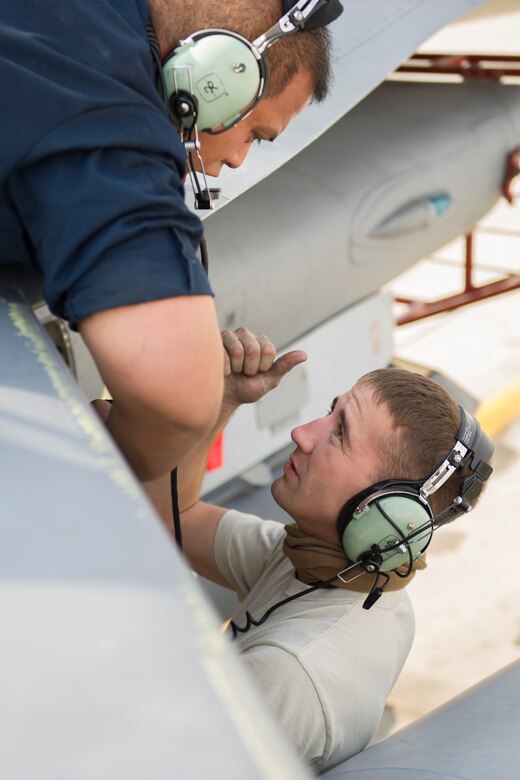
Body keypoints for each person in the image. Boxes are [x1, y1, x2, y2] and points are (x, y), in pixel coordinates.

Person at [0, 0, 336, 488]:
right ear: (222, 76)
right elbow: (178, 399)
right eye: (256, 135)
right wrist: (112, 465)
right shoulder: (103, 107)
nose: (240, 160)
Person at [129, 327, 493, 773]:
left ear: (385, 512)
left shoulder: (287, 675)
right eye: (330, 412)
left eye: (340, 434)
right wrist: (222, 400)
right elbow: (177, 517)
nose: (302, 433)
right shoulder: (335, 570)